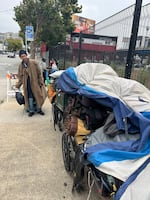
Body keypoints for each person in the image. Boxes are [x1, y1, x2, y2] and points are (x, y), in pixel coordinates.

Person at [15, 50, 47, 117]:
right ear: (20, 57)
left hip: (36, 83)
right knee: (30, 97)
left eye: (24, 56)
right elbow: (20, 77)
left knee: (38, 96)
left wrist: (41, 82)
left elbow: (39, 73)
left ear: (26, 55)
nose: (23, 57)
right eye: (21, 56)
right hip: (27, 84)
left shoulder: (34, 63)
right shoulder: (21, 66)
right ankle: (31, 110)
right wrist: (17, 85)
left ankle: (39, 109)